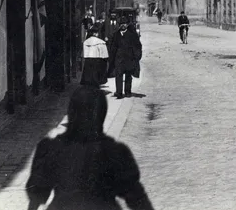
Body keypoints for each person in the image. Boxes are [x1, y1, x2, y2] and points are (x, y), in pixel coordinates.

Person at [25, 85, 154, 210]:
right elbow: (136, 198)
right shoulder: (115, 152)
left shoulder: (50, 149)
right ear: (100, 115)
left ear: (71, 112)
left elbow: (36, 194)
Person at [107, 22, 142, 99]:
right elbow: (112, 46)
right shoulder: (116, 35)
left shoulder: (132, 34)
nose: (123, 25)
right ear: (119, 25)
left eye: (125, 23)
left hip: (129, 58)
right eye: (121, 24)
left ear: (127, 25)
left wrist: (137, 56)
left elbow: (137, 46)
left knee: (128, 75)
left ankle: (127, 92)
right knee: (118, 75)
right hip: (118, 59)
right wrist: (111, 57)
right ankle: (119, 92)